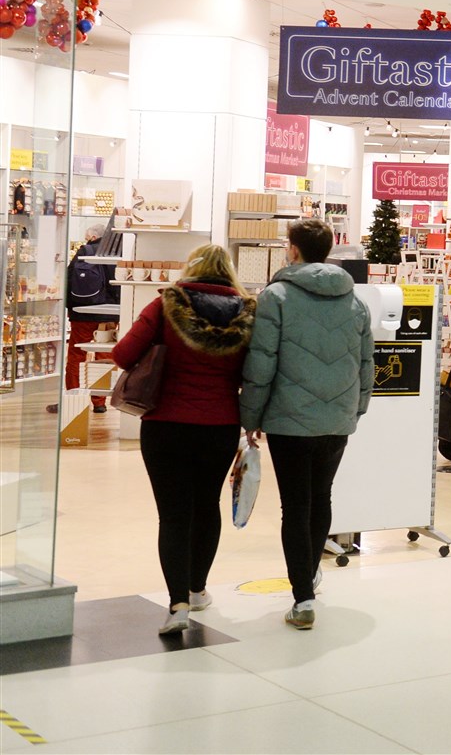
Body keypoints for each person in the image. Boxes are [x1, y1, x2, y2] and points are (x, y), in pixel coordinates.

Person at [112, 245, 255, 636]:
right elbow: (252, 371)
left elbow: (123, 355)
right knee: (207, 506)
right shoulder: (247, 313)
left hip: (166, 426)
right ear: (229, 272)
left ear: (192, 267)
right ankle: (197, 589)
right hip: (219, 425)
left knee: (173, 513)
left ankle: (176, 605)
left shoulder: (164, 306)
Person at [241, 218, 373, 632]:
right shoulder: (356, 301)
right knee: (321, 497)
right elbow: (367, 363)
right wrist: (357, 408)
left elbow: (262, 364)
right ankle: (310, 573)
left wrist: (251, 417)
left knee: (295, 505)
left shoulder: (275, 297)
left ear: (293, 250)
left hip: (288, 420)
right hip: (337, 419)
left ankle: (302, 597)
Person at [63, 223, 119, 413]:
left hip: (82, 313)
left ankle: (73, 399)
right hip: (109, 313)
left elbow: (69, 280)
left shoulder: (85, 251)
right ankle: (100, 402)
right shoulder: (116, 253)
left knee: (76, 355)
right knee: (104, 356)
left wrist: (70, 308)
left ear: (93, 237)